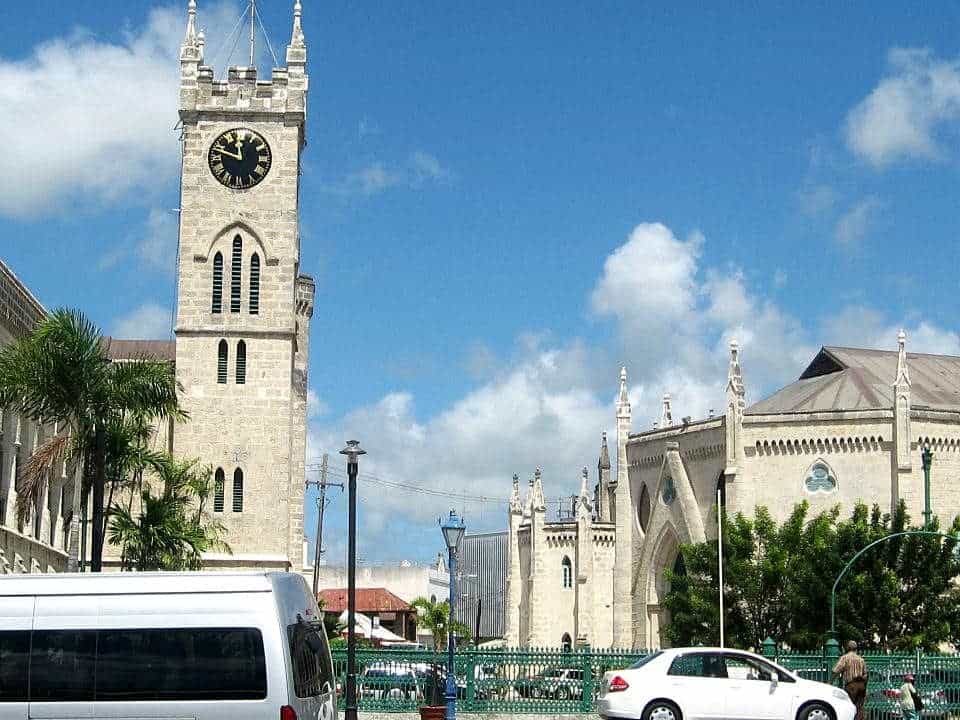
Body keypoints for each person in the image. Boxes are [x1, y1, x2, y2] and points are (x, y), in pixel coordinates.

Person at [833, 640, 868, 720]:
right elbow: (865, 674)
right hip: (861, 685)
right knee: (859, 707)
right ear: (856, 648)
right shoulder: (861, 659)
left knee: (849, 705)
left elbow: (835, 670)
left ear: (848, 648)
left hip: (851, 685)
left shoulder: (845, 657)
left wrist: (830, 681)